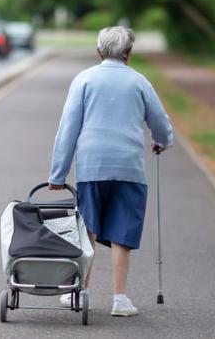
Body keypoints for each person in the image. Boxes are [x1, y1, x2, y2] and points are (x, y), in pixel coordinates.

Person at [48, 26, 173, 317]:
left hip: (92, 165)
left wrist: (58, 174)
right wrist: (163, 142)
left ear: (99, 52)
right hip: (129, 166)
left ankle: (81, 291)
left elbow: (68, 128)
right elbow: (160, 122)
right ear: (129, 54)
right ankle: (120, 299)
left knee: (88, 228)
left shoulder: (84, 79)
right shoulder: (140, 82)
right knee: (122, 232)